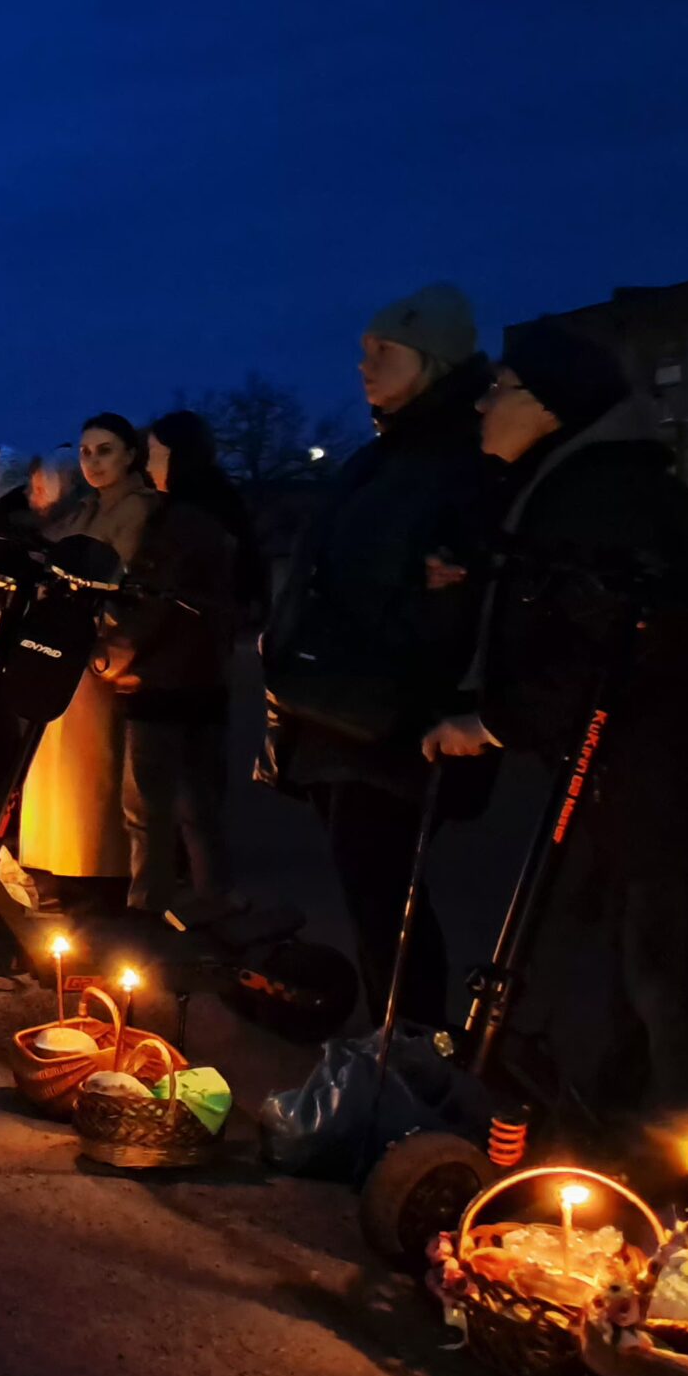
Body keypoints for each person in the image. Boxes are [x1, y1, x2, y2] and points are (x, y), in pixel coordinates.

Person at [425, 325, 688, 1118]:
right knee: (629, 958)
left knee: (661, 966)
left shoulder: (596, 498)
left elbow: (607, 648)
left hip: (672, 775)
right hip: (651, 771)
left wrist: (493, 722)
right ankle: (624, 1124)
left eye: (501, 388)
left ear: (550, 407)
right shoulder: (578, 485)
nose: (483, 405)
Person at [261, 283, 495, 1029]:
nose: (364, 365)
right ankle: (396, 1040)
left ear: (432, 360)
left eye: (384, 351)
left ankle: (408, 1046)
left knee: (384, 893)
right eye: (364, 350)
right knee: (371, 891)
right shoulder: (386, 455)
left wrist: (439, 592)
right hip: (340, 708)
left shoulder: (463, 459)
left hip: (391, 720)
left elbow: (467, 585)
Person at [103, 413, 243, 919]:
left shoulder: (178, 522)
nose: (150, 464)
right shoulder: (221, 511)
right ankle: (214, 904)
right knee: (200, 807)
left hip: (161, 682)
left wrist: (116, 653)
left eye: (157, 454)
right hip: (206, 681)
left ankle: (148, 910)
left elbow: (156, 599)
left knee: (148, 809)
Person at [19, 415, 158, 908]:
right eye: (85, 452)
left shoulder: (140, 509)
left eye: (105, 450)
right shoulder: (84, 509)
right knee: (53, 760)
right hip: (63, 642)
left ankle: (95, 871)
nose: (93, 462)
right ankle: (54, 864)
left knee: (90, 764)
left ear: (130, 455)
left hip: (99, 648)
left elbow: (122, 575)